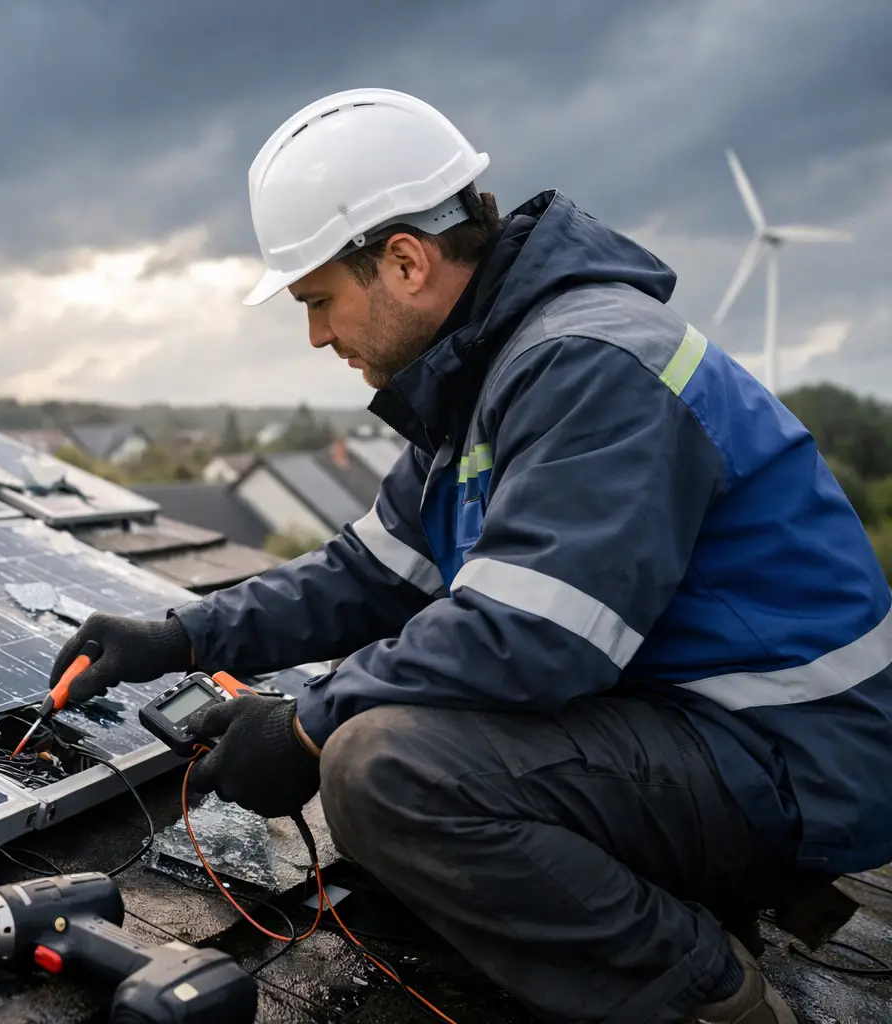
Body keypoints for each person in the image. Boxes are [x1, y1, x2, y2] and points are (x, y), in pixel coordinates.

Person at [47, 89, 892, 1024]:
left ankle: (710, 997)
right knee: (385, 746)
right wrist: (178, 635)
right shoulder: (486, 375)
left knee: (382, 764)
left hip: (792, 760)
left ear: (405, 261)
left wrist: (304, 730)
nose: (318, 335)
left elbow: (530, 637)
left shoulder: (591, 363)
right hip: (693, 730)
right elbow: (368, 576)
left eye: (321, 300)